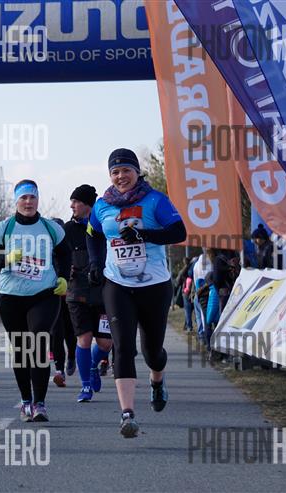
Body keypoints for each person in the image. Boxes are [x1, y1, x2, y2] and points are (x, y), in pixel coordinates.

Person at [87, 148, 186, 438]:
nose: (121, 176)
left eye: (126, 170)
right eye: (115, 172)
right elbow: (92, 234)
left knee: (152, 352)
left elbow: (179, 232)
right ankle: (127, 414)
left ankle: (157, 380)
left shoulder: (155, 200)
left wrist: (144, 235)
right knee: (123, 347)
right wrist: (95, 263)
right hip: (117, 284)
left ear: (136, 172)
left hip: (154, 285)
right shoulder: (102, 205)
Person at [0, 180, 71, 422]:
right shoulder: (4, 228)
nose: (28, 202)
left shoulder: (51, 228)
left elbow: (65, 253)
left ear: (38, 199)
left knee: (39, 342)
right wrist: (6, 258)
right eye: (23, 197)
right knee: (22, 349)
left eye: (32, 197)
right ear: (16, 201)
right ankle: (25, 402)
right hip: (11, 297)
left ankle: (40, 403)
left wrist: (64, 277)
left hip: (44, 294)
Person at [64, 185, 114, 402]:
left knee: (105, 344)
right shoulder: (67, 229)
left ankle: (93, 366)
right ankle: (85, 386)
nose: (72, 206)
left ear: (88, 205)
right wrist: (64, 269)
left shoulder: (104, 226)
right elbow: (57, 256)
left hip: (104, 292)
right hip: (77, 292)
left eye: (76, 201)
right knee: (84, 339)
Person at [50, 217, 77, 387]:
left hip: (70, 296)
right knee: (56, 332)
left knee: (70, 331)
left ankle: (72, 356)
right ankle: (59, 370)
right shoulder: (45, 249)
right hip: (52, 296)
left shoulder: (69, 248)